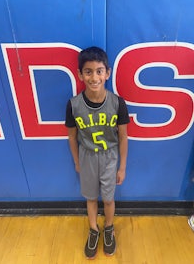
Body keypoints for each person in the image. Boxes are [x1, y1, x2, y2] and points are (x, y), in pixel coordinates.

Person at [65, 46, 130, 259]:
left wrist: (122, 166)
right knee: (91, 198)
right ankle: (94, 229)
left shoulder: (118, 103)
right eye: (88, 71)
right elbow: (72, 137)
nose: (94, 77)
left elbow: (122, 137)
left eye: (99, 71)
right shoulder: (73, 105)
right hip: (87, 156)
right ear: (80, 74)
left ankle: (108, 228)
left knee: (109, 199)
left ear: (107, 73)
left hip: (110, 156)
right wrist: (76, 161)